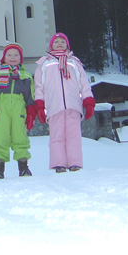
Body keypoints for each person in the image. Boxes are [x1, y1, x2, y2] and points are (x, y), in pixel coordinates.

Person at [32, 32, 96, 173]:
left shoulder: (74, 62)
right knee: (56, 137)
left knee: (74, 136)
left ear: (67, 45)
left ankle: (75, 163)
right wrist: (40, 105)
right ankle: (58, 164)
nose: (59, 44)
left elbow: (84, 84)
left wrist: (88, 101)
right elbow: (39, 87)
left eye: (62, 41)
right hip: (54, 106)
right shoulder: (44, 64)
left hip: (73, 105)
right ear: (51, 45)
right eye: (56, 41)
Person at [0, 43, 35, 179]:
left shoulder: (26, 76)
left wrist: (31, 113)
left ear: (20, 58)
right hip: (2, 107)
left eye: (16, 55)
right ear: (4, 57)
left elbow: (31, 96)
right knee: (1, 137)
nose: (13, 58)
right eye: (9, 55)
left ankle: (23, 167)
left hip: (19, 107)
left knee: (20, 136)